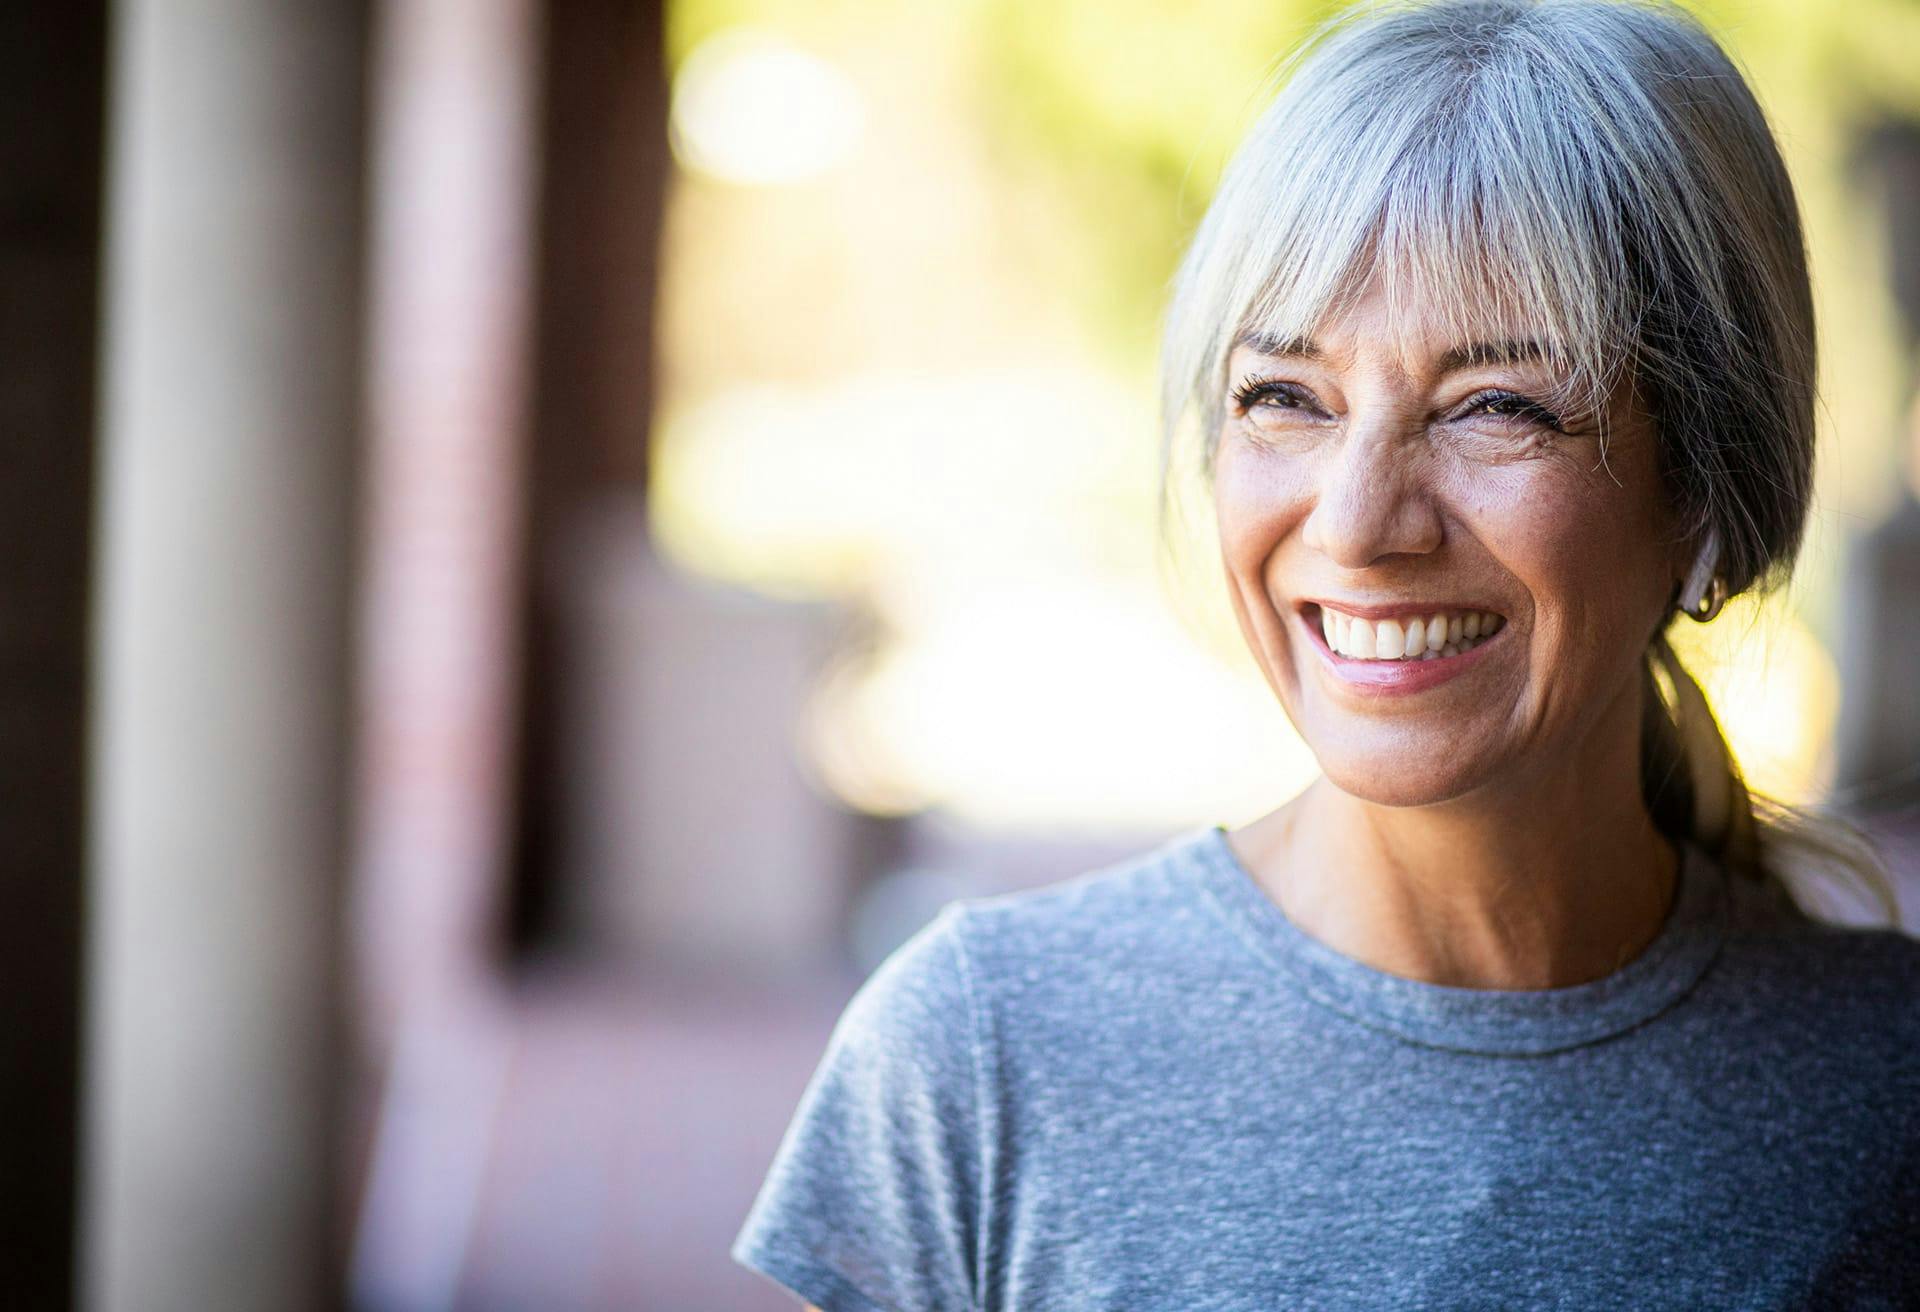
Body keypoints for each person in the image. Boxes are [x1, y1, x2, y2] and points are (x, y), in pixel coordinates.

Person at [730, 1, 1920, 1307]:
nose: (1356, 526)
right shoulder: (977, 1055)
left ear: (1705, 492)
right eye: (1285, 397)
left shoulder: (1886, 1090)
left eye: (1496, 408)